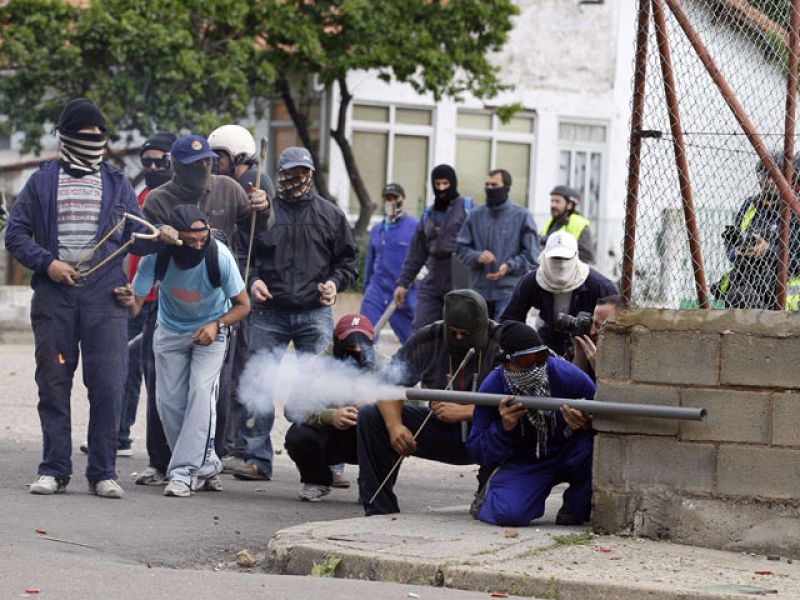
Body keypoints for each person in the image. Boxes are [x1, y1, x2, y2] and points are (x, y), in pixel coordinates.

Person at [5, 98, 177, 498]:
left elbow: (136, 239)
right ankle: (54, 469)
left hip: (106, 301)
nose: (93, 143)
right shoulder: (42, 182)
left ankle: (103, 472)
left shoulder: (117, 183)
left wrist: (162, 236)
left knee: (108, 385)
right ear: (65, 138)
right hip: (55, 297)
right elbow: (14, 234)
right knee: (53, 383)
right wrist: (48, 265)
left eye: (100, 138)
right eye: (84, 137)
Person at [134, 133, 269, 487]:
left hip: (218, 302)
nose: (204, 166)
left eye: (208, 160)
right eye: (195, 163)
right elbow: (142, 247)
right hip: (172, 303)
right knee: (165, 393)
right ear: (177, 167)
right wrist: (155, 236)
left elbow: (259, 229)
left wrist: (262, 207)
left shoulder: (229, 188)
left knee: (212, 392)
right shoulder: (159, 199)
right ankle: (163, 462)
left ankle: (205, 461)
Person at [233, 146, 359, 482]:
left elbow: (348, 262)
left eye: (302, 173)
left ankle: (331, 463)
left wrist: (334, 283)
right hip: (268, 311)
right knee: (259, 385)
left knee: (323, 387)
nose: (296, 179)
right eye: (289, 173)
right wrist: (254, 280)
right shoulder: (262, 214)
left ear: (312, 175)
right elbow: (244, 257)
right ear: (279, 174)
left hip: (314, 313)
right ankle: (258, 460)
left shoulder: (331, 215)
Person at [123, 205, 250, 497]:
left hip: (212, 332)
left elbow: (244, 306)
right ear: (175, 236)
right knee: (167, 403)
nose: (197, 245)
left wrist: (216, 325)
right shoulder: (156, 258)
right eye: (189, 239)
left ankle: (184, 473)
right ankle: (207, 463)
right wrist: (121, 297)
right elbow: (134, 307)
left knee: (200, 395)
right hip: (169, 331)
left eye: (201, 238)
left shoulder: (219, 255)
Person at [357, 289, 500, 516]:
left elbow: (521, 403)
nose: (459, 339)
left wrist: (467, 411)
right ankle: (379, 510)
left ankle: (492, 493)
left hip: (486, 434)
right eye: (453, 333)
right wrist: (394, 426)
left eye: (466, 334)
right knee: (372, 416)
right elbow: (387, 384)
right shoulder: (429, 337)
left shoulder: (501, 341)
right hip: (439, 430)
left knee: (510, 426)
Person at [467, 321, 596, 526]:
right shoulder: (493, 386)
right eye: (527, 361)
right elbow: (477, 450)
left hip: (570, 450)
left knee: (595, 453)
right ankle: (490, 494)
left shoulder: (565, 374)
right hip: (526, 460)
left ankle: (574, 508)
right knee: (508, 514)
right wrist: (503, 428)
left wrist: (586, 422)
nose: (536, 366)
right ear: (505, 363)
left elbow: (605, 420)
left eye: (541, 357)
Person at [207, 124, 277, 473]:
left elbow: (264, 234)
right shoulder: (218, 186)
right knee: (222, 368)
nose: (212, 162)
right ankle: (217, 442)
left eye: (218, 155)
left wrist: (260, 208)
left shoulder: (255, 184)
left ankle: (233, 443)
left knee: (238, 369)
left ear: (235, 154)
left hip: (247, 288)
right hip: (221, 284)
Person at [117, 131, 177, 458]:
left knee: (156, 374)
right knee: (124, 368)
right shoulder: (139, 197)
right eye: (147, 161)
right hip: (135, 297)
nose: (153, 166)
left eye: (161, 160)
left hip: (166, 300)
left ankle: (164, 448)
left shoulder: (180, 198)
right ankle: (119, 435)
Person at [284, 314, 385, 502]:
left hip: (368, 437)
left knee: (394, 433)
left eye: (362, 343)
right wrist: (330, 416)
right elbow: (292, 408)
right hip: (330, 437)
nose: (356, 349)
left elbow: (415, 402)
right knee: (298, 435)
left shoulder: (383, 365)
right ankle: (317, 480)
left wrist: (377, 404)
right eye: (350, 344)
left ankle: (375, 487)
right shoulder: (317, 365)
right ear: (337, 342)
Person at [501, 231, 618, 357]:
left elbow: (617, 323)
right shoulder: (532, 282)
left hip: (587, 343)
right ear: (545, 256)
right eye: (556, 258)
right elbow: (510, 320)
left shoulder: (598, 286)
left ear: (576, 257)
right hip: (548, 339)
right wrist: (522, 347)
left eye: (566, 258)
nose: (561, 264)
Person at [714, 153, 800, 310]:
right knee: (739, 297)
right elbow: (734, 250)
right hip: (748, 278)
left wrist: (768, 252)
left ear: (789, 179)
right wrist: (738, 248)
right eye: (764, 175)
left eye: (774, 177)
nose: (769, 182)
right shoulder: (750, 205)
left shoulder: (795, 209)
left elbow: (796, 261)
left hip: (782, 286)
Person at [393, 164, 472, 331]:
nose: (442, 188)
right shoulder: (428, 215)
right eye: (437, 184)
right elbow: (416, 253)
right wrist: (402, 283)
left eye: (445, 184)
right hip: (433, 275)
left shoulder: (468, 210)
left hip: (460, 276)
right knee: (422, 329)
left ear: (453, 183)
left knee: (459, 330)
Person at [456, 169, 539, 320]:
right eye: (487, 185)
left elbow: (532, 255)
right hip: (478, 291)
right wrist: (476, 256)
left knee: (503, 336)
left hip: (509, 291)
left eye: (495, 185)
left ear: (506, 187)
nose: (490, 188)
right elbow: (460, 248)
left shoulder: (522, 216)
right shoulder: (475, 215)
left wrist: (509, 266)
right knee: (478, 338)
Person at [360, 183, 419, 343]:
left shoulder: (415, 227)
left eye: (395, 198)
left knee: (411, 342)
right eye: (387, 198)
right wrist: (367, 289)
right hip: (377, 290)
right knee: (365, 336)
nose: (391, 202)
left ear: (403, 199)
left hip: (403, 292)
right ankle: (365, 366)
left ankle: (414, 367)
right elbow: (370, 262)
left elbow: (424, 258)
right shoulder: (377, 229)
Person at [572, 294, 628, 381]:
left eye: (600, 326)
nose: (592, 332)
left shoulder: (631, 361)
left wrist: (600, 369)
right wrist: (580, 355)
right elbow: (574, 388)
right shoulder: (593, 351)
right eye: (593, 323)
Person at [540, 185, 594, 263]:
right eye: (552, 201)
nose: (553, 205)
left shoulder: (579, 223)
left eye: (557, 201)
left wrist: (562, 260)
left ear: (570, 205)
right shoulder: (550, 222)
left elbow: (587, 255)